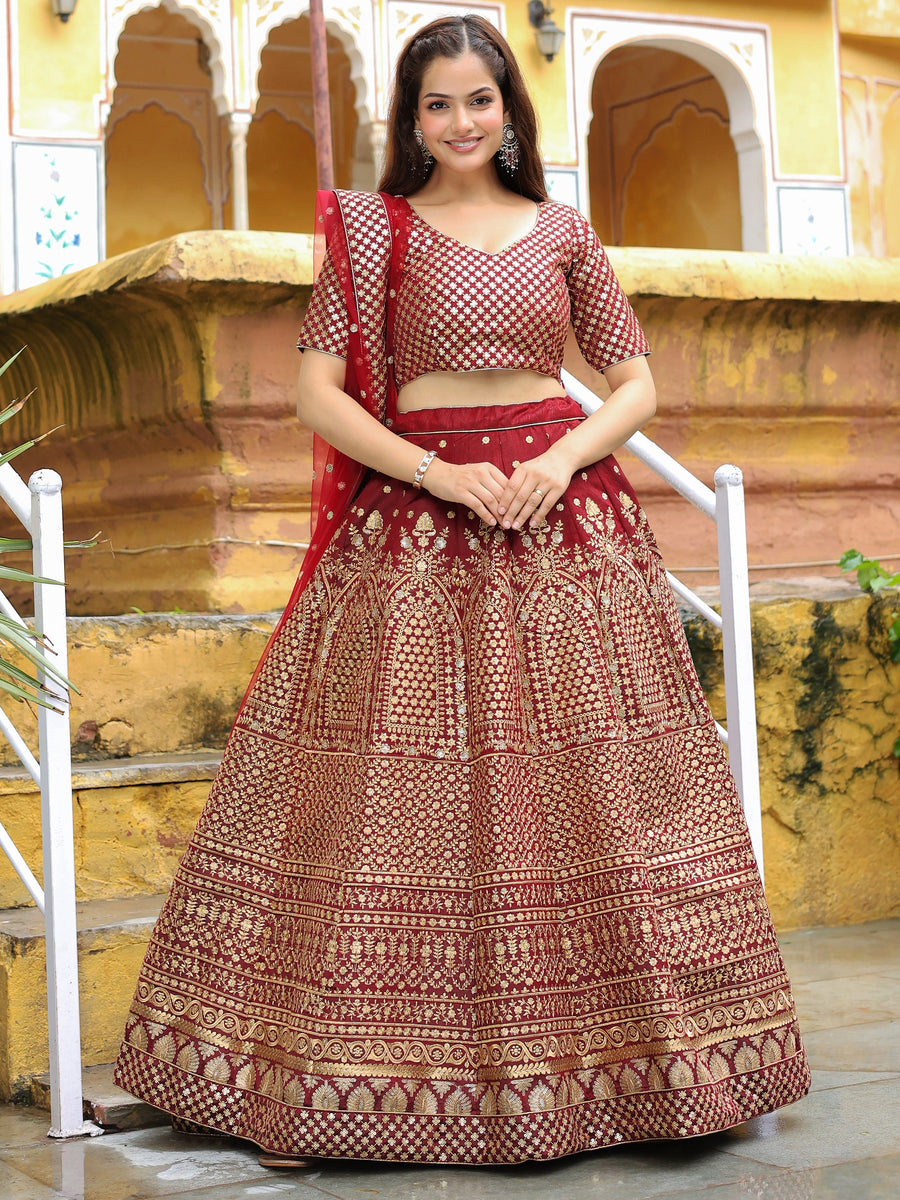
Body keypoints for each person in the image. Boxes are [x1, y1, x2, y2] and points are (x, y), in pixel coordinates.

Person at [114, 14, 810, 1167]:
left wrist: (552, 464)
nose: (460, 123)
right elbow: (318, 398)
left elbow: (632, 384)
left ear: (510, 109)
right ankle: (340, 1077)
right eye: (436, 105)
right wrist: (442, 473)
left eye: (479, 99)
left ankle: (654, 1072)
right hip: (415, 525)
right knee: (387, 795)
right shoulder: (378, 235)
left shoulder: (566, 233)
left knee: (596, 782)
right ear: (411, 120)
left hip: (561, 524)